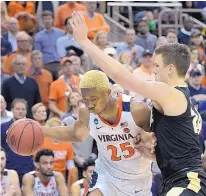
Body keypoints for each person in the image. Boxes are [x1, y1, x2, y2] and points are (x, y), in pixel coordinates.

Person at [68, 12, 206, 195]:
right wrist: (148, 152)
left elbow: (122, 77)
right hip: (175, 181)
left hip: (187, 182)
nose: (154, 71)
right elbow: (176, 152)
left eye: (157, 66)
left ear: (171, 69)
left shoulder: (172, 94)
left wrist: (84, 41)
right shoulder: (176, 102)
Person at [43, 70, 155, 196]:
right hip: (106, 174)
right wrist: (42, 131)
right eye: (85, 99)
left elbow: (160, 153)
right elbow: (76, 134)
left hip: (137, 179)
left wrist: (150, 149)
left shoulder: (137, 110)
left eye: (94, 98)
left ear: (108, 93)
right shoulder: (86, 113)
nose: (89, 104)